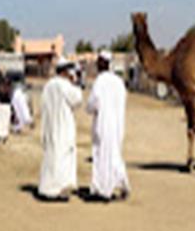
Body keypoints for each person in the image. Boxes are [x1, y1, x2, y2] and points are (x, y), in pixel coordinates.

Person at [86, 50, 130, 201]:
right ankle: (122, 184)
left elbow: (93, 103)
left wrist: (89, 109)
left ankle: (103, 190)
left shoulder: (100, 81)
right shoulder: (119, 82)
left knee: (102, 157)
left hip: (103, 125)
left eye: (99, 62)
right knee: (115, 155)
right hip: (117, 125)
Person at [38, 58, 83, 201]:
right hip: (62, 129)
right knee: (61, 160)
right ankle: (56, 191)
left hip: (50, 127)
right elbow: (77, 99)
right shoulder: (64, 85)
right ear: (64, 71)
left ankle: (47, 188)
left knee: (51, 159)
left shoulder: (48, 85)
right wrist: (76, 83)